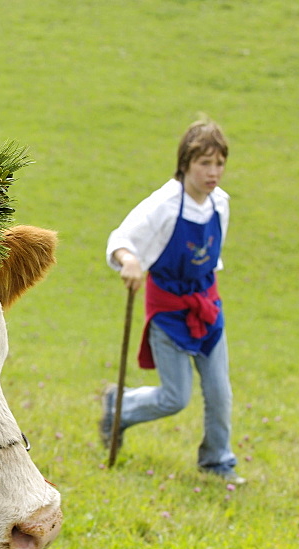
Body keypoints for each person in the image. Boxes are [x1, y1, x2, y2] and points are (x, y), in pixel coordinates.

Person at [100, 118, 244, 484]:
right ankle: (117, 407)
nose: (214, 173)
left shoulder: (220, 204)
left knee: (220, 393)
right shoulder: (163, 205)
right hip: (169, 312)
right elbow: (120, 240)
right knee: (174, 398)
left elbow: (212, 258)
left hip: (207, 308)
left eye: (219, 163)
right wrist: (130, 261)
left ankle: (217, 462)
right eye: (205, 164)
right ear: (185, 163)